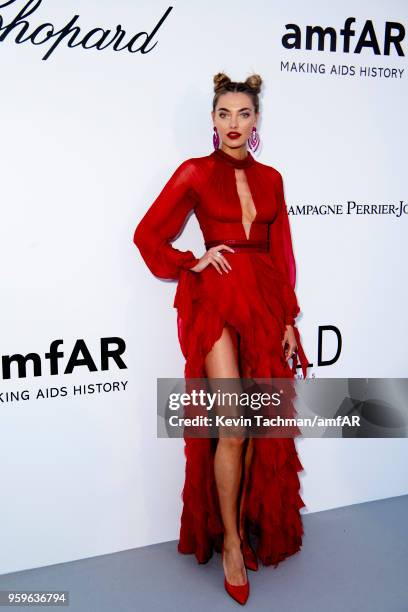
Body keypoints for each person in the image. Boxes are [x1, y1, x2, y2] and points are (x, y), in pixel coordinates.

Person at [133, 72, 309, 605]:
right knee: (231, 426)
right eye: (225, 114)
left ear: (257, 122)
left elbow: (281, 256)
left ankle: (241, 522)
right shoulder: (194, 172)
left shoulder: (274, 178)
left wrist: (288, 319)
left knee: (256, 425)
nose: (234, 123)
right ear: (212, 120)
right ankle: (232, 543)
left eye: (245, 114)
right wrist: (193, 260)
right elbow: (147, 235)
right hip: (217, 299)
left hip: (265, 304)